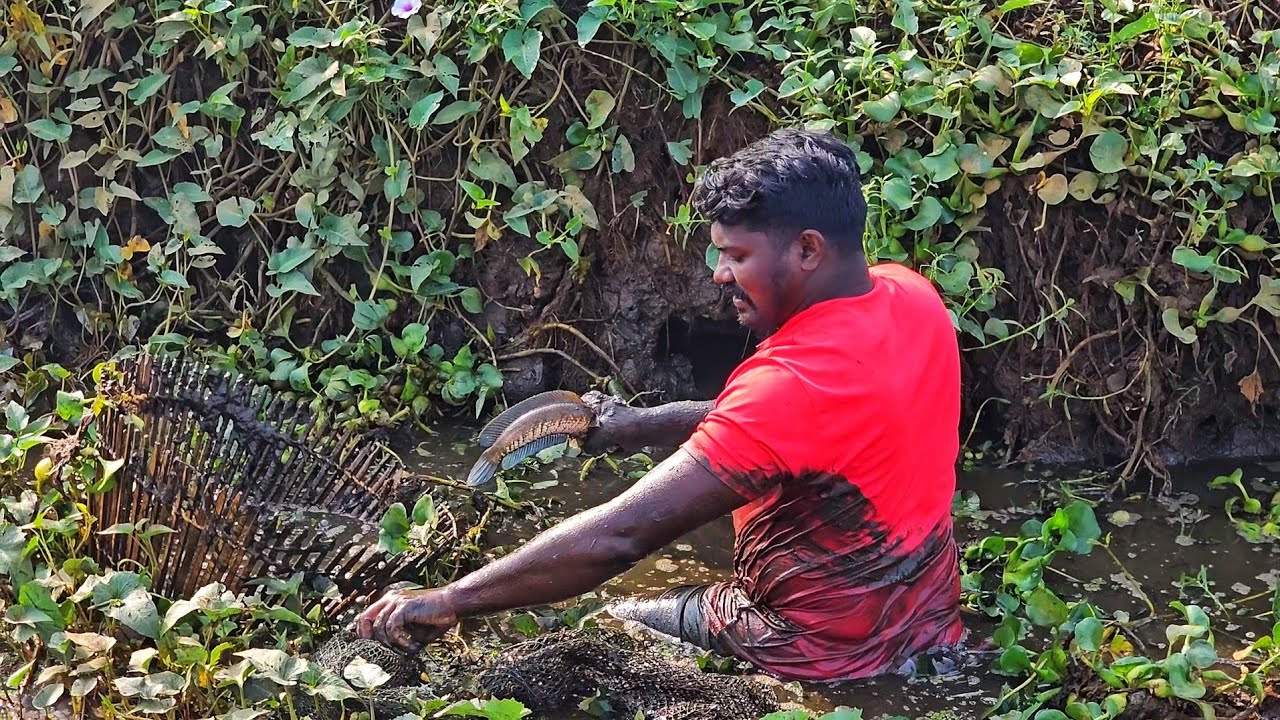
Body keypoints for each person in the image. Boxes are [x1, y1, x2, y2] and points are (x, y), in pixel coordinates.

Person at [356, 128, 966, 682]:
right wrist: (631, 427)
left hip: (813, 650)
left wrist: (452, 598)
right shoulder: (912, 297)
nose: (721, 276)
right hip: (929, 625)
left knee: (609, 623)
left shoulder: (786, 388)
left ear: (807, 250)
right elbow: (808, 432)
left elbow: (619, 536)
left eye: (738, 256)